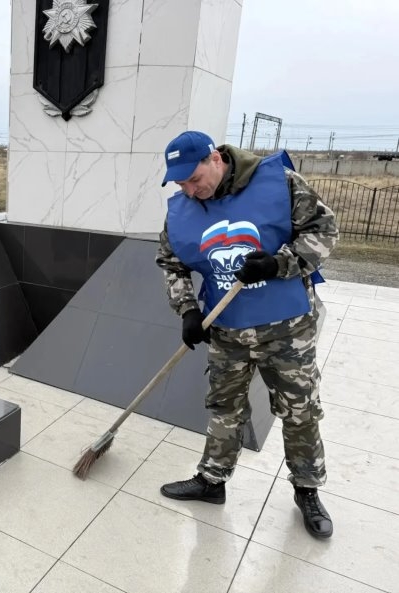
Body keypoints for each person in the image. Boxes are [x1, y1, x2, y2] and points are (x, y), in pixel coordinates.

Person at [155, 130, 339, 539]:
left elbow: (324, 231)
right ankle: (212, 480)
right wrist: (187, 309)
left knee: (299, 409)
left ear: (215, 158)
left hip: (286, 329)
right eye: (180, 182)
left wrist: (278, 264)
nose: (189, 188)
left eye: (193, 177)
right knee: (224, 406)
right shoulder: (181, 209)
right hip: (227, 331)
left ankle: (307, 490)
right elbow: (171, 263)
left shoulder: (279, 182)